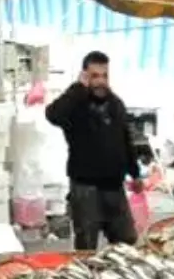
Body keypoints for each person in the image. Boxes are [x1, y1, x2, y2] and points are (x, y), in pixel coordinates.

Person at [45, 51, 142, 250]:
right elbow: (53, 115)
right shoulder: (75, 104)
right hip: (85, 188)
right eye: (95, 76)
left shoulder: (116, 104)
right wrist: (78, 87)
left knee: (127, 241)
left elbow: (126, 140)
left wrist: (135, 173)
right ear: (85, 76)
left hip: (114, 186)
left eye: (105, 76)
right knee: (87, 247)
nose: (101, 81)